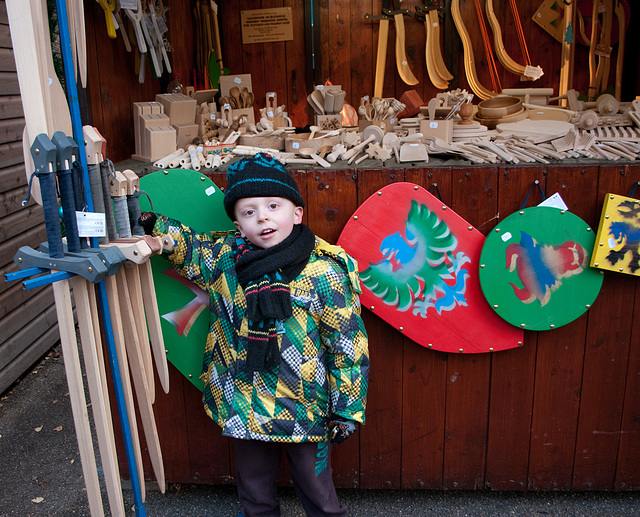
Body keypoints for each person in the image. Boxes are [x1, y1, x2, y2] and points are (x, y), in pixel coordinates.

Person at [141, 152, 369, 517]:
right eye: (249, 211)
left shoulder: (325, 273)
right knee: (255, 491)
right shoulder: (226, 261)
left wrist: (346, 408)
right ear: (238, 226)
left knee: (318, 492)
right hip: (246, 403)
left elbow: (347, 344)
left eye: (273, 205)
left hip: (305, 408)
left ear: (296, 213)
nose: (262, 216)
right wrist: (153, 226)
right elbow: (190, 247)